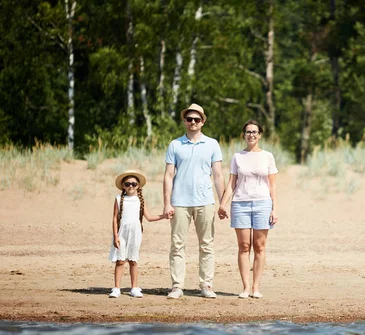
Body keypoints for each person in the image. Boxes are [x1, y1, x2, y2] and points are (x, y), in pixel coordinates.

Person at [163, 103, 225, 299]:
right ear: (184, 121)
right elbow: (168, 175)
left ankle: (206, 285)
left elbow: (218, 176)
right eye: (189, 119)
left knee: (206, 244)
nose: (192, 122)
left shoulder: (212, 144)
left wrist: (223, 202)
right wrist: (166, 203)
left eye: (196, 119)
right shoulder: (175, 144)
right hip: (179, 201)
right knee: (177, 244)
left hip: (205, 201)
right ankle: (177, 286)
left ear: (203, 122)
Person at [218, 120, 278, 299]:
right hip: (240, 204)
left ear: (260, 135)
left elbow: (273, 185)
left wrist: (275, 208)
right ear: (243, 135)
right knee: (244, 246)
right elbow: (231, 183)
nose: (251, 135)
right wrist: (223, 203)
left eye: (255, 132)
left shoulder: (268, 156)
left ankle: (256, 287)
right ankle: (245, 287)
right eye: (248, 132)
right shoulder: (237, 157)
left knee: (259, 246)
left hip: (262, 204)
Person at [109, 170, 165, 298]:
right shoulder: (118, 199)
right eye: (127, 183)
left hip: (135, 232)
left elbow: (149, 217)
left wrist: (164, 216)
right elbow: (114, 218)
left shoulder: (140, 200)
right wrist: (116, 236)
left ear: (138, 186)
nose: (130, 186)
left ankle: (134, 288)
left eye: (134, 184)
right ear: (123, 185)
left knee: (133, 260)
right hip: (122, 232)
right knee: (120, 260)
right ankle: (116, 288)